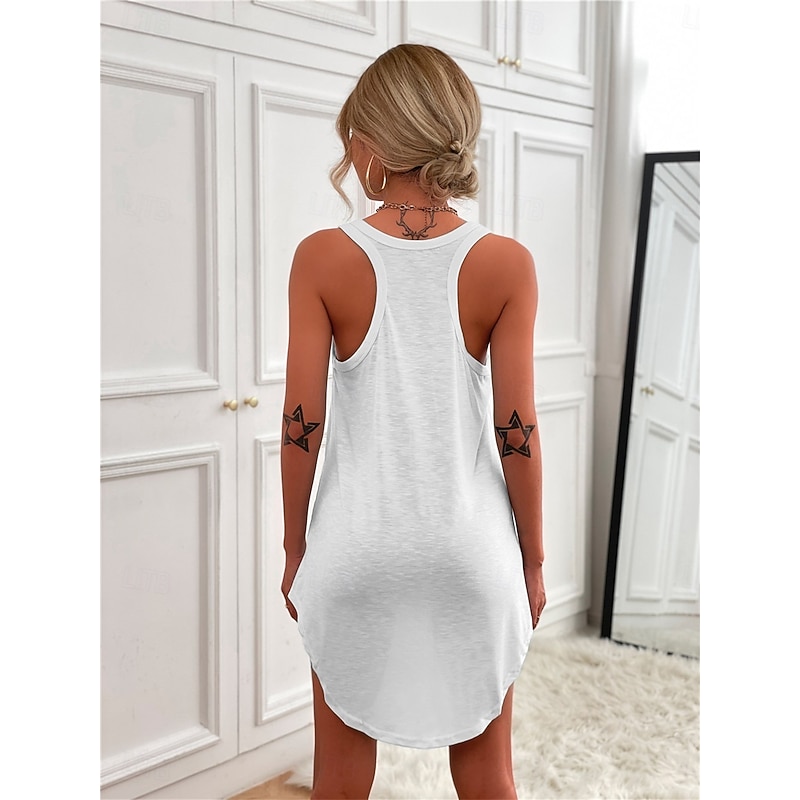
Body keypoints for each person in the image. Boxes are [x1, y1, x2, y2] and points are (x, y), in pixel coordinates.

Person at [280, 43, 545, 799]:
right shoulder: (507, 263)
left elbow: (301, 422)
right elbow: (518, 430)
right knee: (488, 776)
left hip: (356, 549)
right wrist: (531, 559)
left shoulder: (321, 258)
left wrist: (295, 546)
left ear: (371, 144)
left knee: (338, 778)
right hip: (470, 554)